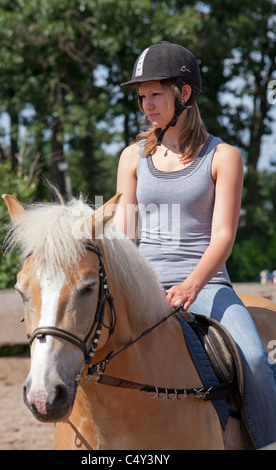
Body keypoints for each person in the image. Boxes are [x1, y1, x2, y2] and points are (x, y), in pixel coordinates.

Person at [114, 41, 276, 449]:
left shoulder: (224, 157)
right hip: (145, 285)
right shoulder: (131, 158)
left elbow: (223, 236)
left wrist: (190, 287)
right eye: (141, 96)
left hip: (205, 287)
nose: (146, 105)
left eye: (155, 94)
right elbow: (122, 234)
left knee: (255, 361)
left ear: (183, 94)